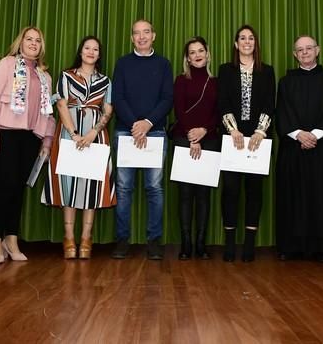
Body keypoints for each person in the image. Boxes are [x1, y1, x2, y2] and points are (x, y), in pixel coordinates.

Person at [0, 26, 55, 263]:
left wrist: (47, 142)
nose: (33, 43)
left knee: (18, 187)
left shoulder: (44, 75)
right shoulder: (7, 65)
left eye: (37, 40)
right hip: (4, 133)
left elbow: (46, 112)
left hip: (30, 137)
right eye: (29, 39)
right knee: (6, 184)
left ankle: (12, 239)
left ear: (42, 46)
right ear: (20, 42)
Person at [42, 36, 115, 260]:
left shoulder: (105, 81)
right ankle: (68, 237)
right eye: (87, 48)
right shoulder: (66, 75)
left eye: (95, 49)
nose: (91, 52)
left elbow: (108, 109)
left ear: (99, 54)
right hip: (69, 134)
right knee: (69, 184)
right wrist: (74, 134)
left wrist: (93, 132)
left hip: (95, 136)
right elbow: (62, 104)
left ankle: (86, 237)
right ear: (80, 51)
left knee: (91, 186)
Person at [275, 36, 323, 262]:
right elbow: (282, 113)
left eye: (309, 48)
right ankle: (291, 246)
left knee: (321, 198)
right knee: (293, 198)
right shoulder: (285, 82)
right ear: (294, 55)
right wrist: (299, 135)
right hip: (292, 151)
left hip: (321, 150)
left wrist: (314, 135)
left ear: (318, 50)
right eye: (300, 50)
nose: (305, 53)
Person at [111, 19, 173, 260]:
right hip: (125, 132)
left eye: (146, 32)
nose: (141, 37)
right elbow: (118, 97)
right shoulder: (123, 63)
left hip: (155, 132)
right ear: (131, 38)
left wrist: (147, 123)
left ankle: (154, 241)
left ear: (154, 35)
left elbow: (167, 99)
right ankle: (122, 240)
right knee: (124, 189)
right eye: (136, 33)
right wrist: (135, 124)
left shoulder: (164, 64)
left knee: (154, 188)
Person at [217, 24, 275, 262]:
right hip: (233, 138)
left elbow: (270, 103)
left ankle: (249, 241)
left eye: (251, 38)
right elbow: (222, 102)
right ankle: (230, 241)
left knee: (254, 190)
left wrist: (261, 131)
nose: (247, 42)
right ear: (236, 43)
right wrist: (233, 130)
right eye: (242, 38)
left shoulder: (267, 71)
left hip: (259, 140)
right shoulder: (225, 70)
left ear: (255, 43)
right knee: (230, 190)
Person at [171, 37, 219, 260]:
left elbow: (218, 115)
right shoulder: (181, 81)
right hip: (184, 139)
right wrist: (193, 137)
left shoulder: (216, 82)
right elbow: (179, 111)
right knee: (185, 195)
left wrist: (204, 132)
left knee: (203, 195)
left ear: (207, 54)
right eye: (192, 52)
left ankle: (201, 243)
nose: (197, 55)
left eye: (201, 51)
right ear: (187, 58)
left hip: (209, 140)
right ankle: (186, 243)